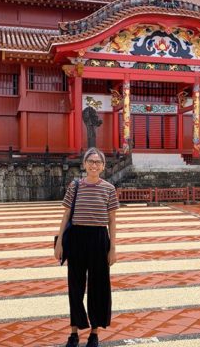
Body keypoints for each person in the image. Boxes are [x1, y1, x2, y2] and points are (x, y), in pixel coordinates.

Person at [55, 147, 119, 347]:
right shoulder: (75, 186)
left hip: (99, 239)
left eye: (97, 162)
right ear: (84, 164)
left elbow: (112, 220)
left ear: (103, 166)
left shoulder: (109, 188)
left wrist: (113, 248)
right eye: (90, 161)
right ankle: (74, 332)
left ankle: (94, 333)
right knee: (75, 286)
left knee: (98, 287)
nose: (94, 165)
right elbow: (66, 215)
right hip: (77, 239)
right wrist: (59, 244)